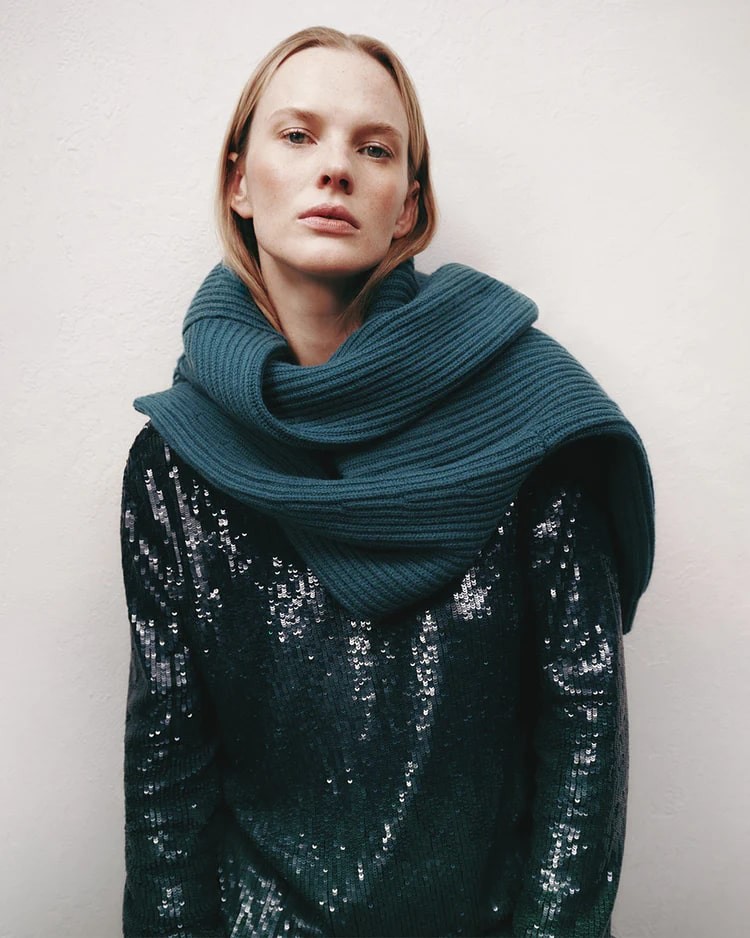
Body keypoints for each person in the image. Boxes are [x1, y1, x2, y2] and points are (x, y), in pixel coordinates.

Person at [120, 26, 654, 938]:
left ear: (407, 206)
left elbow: (584, 729)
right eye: (298, 135)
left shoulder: (529, 419)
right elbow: (168, 776)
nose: (335, 168)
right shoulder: (175, 461)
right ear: (239, 182)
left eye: (374, 148)